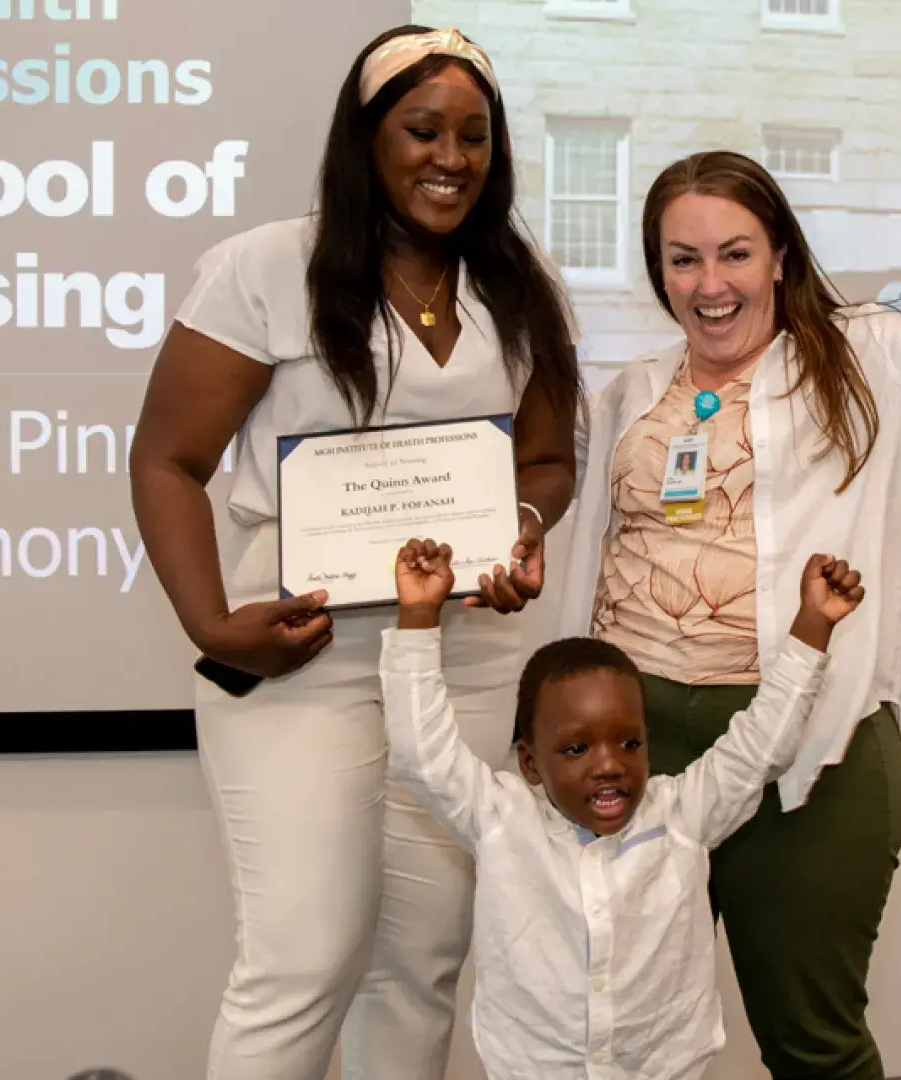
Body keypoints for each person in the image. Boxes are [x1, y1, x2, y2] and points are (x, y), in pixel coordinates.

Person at [553, 79, 901, 1078]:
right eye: (683, 259)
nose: (710, 283)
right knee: (614, 1039)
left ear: (779, 257)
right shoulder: (630, 393)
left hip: (807, 744)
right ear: (657, 273)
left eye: (734, 253)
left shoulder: (867, 362)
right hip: (631, 746)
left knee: (812, 1043)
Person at [127, 25, 581, 1080]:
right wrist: (210, 625)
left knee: (420, 966)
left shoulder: (519, 282)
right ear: (367, 138)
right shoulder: (263, 270)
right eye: (423, 130)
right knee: (303, 963)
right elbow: (166, 459)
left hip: (463, 661)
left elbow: (547, 462)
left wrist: (520, 531)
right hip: (304, 659)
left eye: (475, 136)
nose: (451, 158)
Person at [381, 538, 866, 1079]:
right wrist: (419, 617)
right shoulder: (499, 817)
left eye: (628, 743)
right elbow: (422, 753)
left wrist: (812, 627)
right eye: (576, 748)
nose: (608, 764)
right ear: (530, 762)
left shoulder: (681, 815)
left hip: (663, 1067)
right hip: (534, 1067)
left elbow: (761, 746)